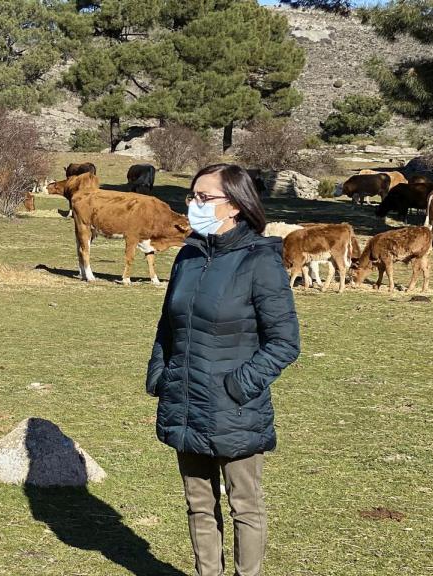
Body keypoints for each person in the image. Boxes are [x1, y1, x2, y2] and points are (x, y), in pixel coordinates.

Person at [146, 164, 300, 576]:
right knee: (198, 504)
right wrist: (161, 374)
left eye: (203, 197)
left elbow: (284, 342)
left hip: (235, 407)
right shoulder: (188, 256)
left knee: (243, 503)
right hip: (185, 398)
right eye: (192, 196)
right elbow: (168, 325)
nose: (192, 205)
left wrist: (237, 387)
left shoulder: (261, 261)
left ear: (233, 204)